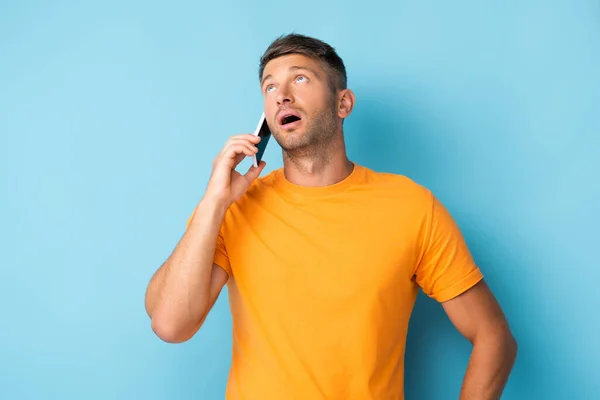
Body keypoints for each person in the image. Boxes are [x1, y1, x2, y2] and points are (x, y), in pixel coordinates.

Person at [145, 33, 517, 399]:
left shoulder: (413, 207)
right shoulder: (232, 207)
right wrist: (213, 203)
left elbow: (493, 336)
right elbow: (170, 323)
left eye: (300, 78)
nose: (282, 95)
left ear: (343, 103)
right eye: (270, 87)